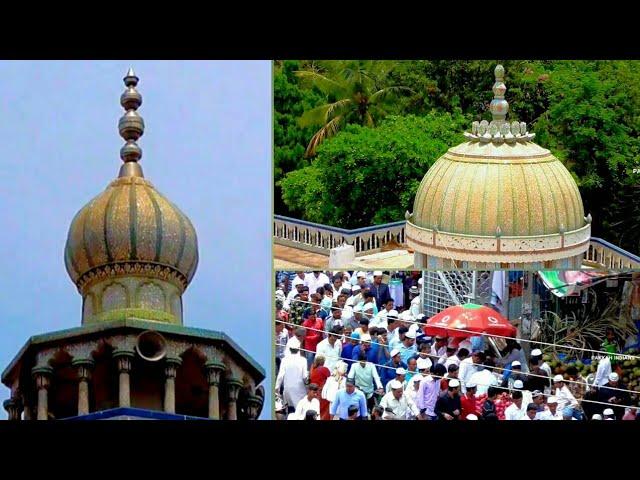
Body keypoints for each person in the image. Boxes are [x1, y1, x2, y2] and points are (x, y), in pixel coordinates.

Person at [275, 337, 309, 414]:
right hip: (300, 390)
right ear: (298, 349)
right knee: (300, 412)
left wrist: (276, 388)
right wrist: (308, 386)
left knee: (290, 411)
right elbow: (304, 377)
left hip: (287, 390)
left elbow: (280, 375)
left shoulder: (284, 360)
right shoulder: (303, 360)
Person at [309, 355, 331, 419]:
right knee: (324, 408)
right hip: (321, 392)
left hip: (312, 392)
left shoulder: (312, 368)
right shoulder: (324, 369)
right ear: (323, 362)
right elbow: (330, 379)